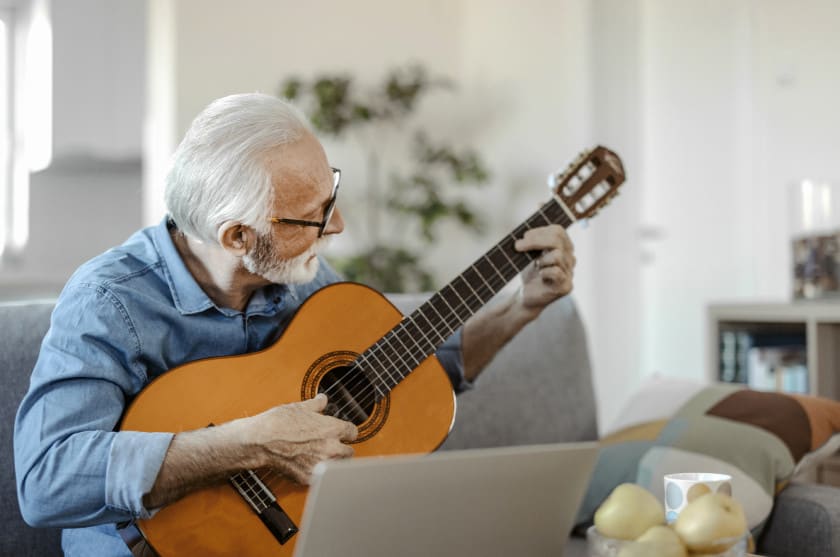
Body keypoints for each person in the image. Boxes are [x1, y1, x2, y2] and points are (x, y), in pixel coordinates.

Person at [14, 93, 576, 556]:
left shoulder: (299, 273)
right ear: (237, 236)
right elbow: (46, 482)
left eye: (332, 195)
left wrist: (520, 308)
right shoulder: (108, 300)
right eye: (316, 216)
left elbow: (417, 375)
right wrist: (247, 444)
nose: (340, 225)